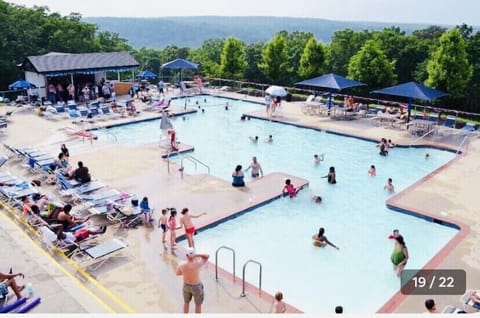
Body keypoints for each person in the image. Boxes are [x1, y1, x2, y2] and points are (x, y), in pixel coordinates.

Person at [176, 247, 210, 313]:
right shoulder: (198, 263)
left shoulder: (181, 264)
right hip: (196, 286)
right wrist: (197, 255)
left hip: (186, 286)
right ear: (194, 255)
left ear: (186, 255)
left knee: (186, 303)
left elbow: (178, 273)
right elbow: (207, 256)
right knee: (198, 305)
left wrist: (186, 273)